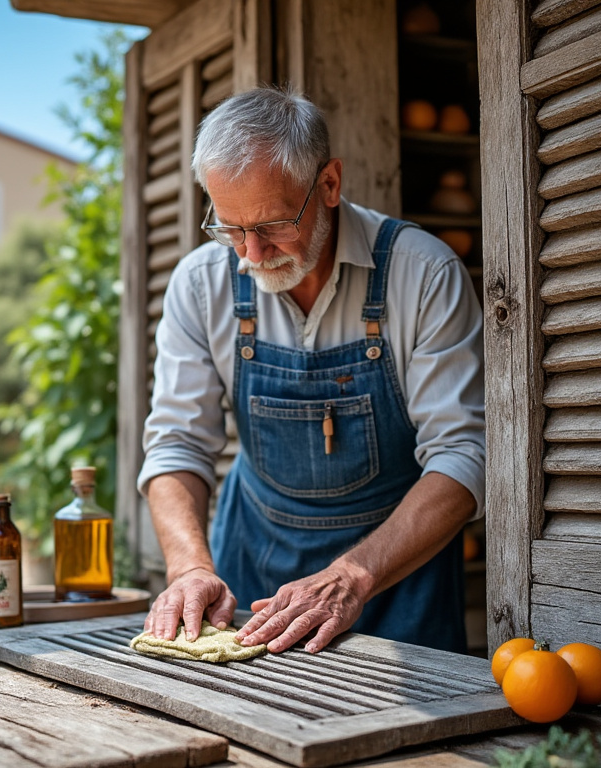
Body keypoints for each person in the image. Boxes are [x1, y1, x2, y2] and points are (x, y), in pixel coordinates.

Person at [139, 87, 485, 655]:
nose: (250, 254)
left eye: (273, 224)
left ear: (328, 184)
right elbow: (176, 445)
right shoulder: (201, 285)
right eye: (230, 228)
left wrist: (352, 577)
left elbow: (465, 454)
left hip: (397, 586)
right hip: (251, 582)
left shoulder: (423, 273)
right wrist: (188, 571)